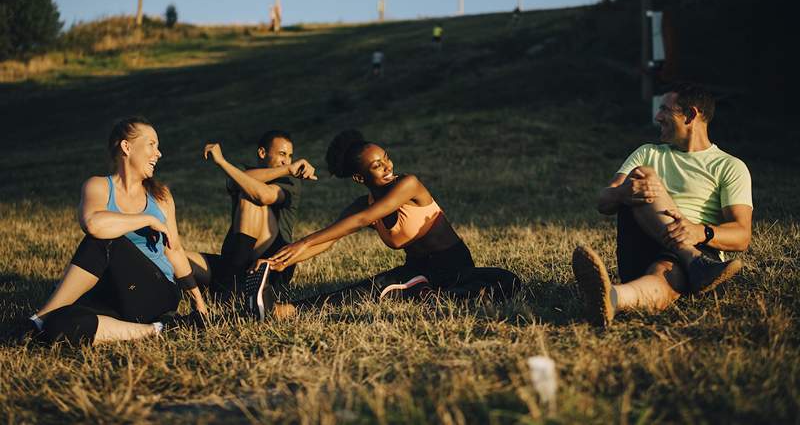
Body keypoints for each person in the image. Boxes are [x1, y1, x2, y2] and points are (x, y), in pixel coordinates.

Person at [250, 129, 521, 318]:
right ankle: (284, 310)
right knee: (372, 286)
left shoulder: (408, 184)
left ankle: (435, 295)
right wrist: (278, 261)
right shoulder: (362, 203)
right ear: (359, 177)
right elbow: (328, 240)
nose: (388, 166)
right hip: (418, 270)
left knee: (508, 282)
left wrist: (303, 241)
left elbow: (363, 220)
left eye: (386, 158)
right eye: (377, 165)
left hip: (454, 266)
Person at [572, 83, 753, 327]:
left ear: (690, 115)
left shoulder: (729, 167)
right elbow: (603, 202)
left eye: (665, 110)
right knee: (643, 174)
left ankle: (613, 297)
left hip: (699, 248)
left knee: (664, 270)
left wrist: (700, 231)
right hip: (645, 242)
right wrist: (623, 192)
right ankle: (693, 260)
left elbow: (741, 235)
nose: (658, 117)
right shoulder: (648, 153)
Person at [29, 117, 207, 345]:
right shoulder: (98, 186)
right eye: (152, 144)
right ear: (126, 147)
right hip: (113, 294)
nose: (159, 153)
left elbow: (176, 251)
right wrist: (147, 219)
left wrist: (198, 302)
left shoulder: (160, 197)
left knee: (105, 240)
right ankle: (159, 329)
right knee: (61, 327)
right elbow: (93, 224)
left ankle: (41, 317)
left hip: (156, 292)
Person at [186, 131, 316, 304]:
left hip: (271, 266)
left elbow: (262, 196)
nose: (287, 161)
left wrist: (286, 170)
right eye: (282, 154)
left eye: (290, 156)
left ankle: (227, 292)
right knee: (179, 259)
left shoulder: (291, 180)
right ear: (262, 153)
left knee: (250, 198)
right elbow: (239, 180)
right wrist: (224, 164)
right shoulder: (242, 173)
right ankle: (228, 285)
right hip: (234, 261)